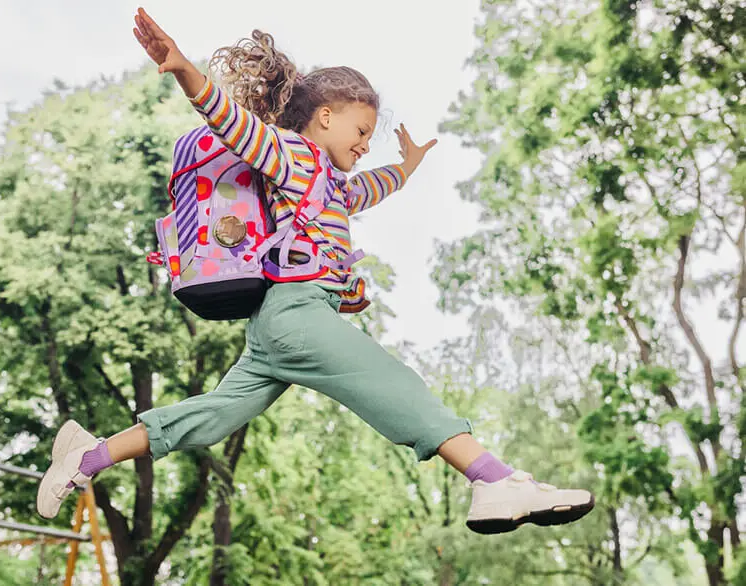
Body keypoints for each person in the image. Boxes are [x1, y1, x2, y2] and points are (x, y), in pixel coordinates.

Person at [36, 7, 594, 535]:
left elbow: (372, 188)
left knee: (212, 418)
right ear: (326, 116)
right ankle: (493, 481)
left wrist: (406, 166)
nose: (365, 143)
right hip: (297, 313)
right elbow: (234, 125)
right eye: (361, 130)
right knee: (392, 383)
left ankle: (91, 454)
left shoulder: (331, 184)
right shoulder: (294, 155)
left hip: (279, 325)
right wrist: (185, 70)